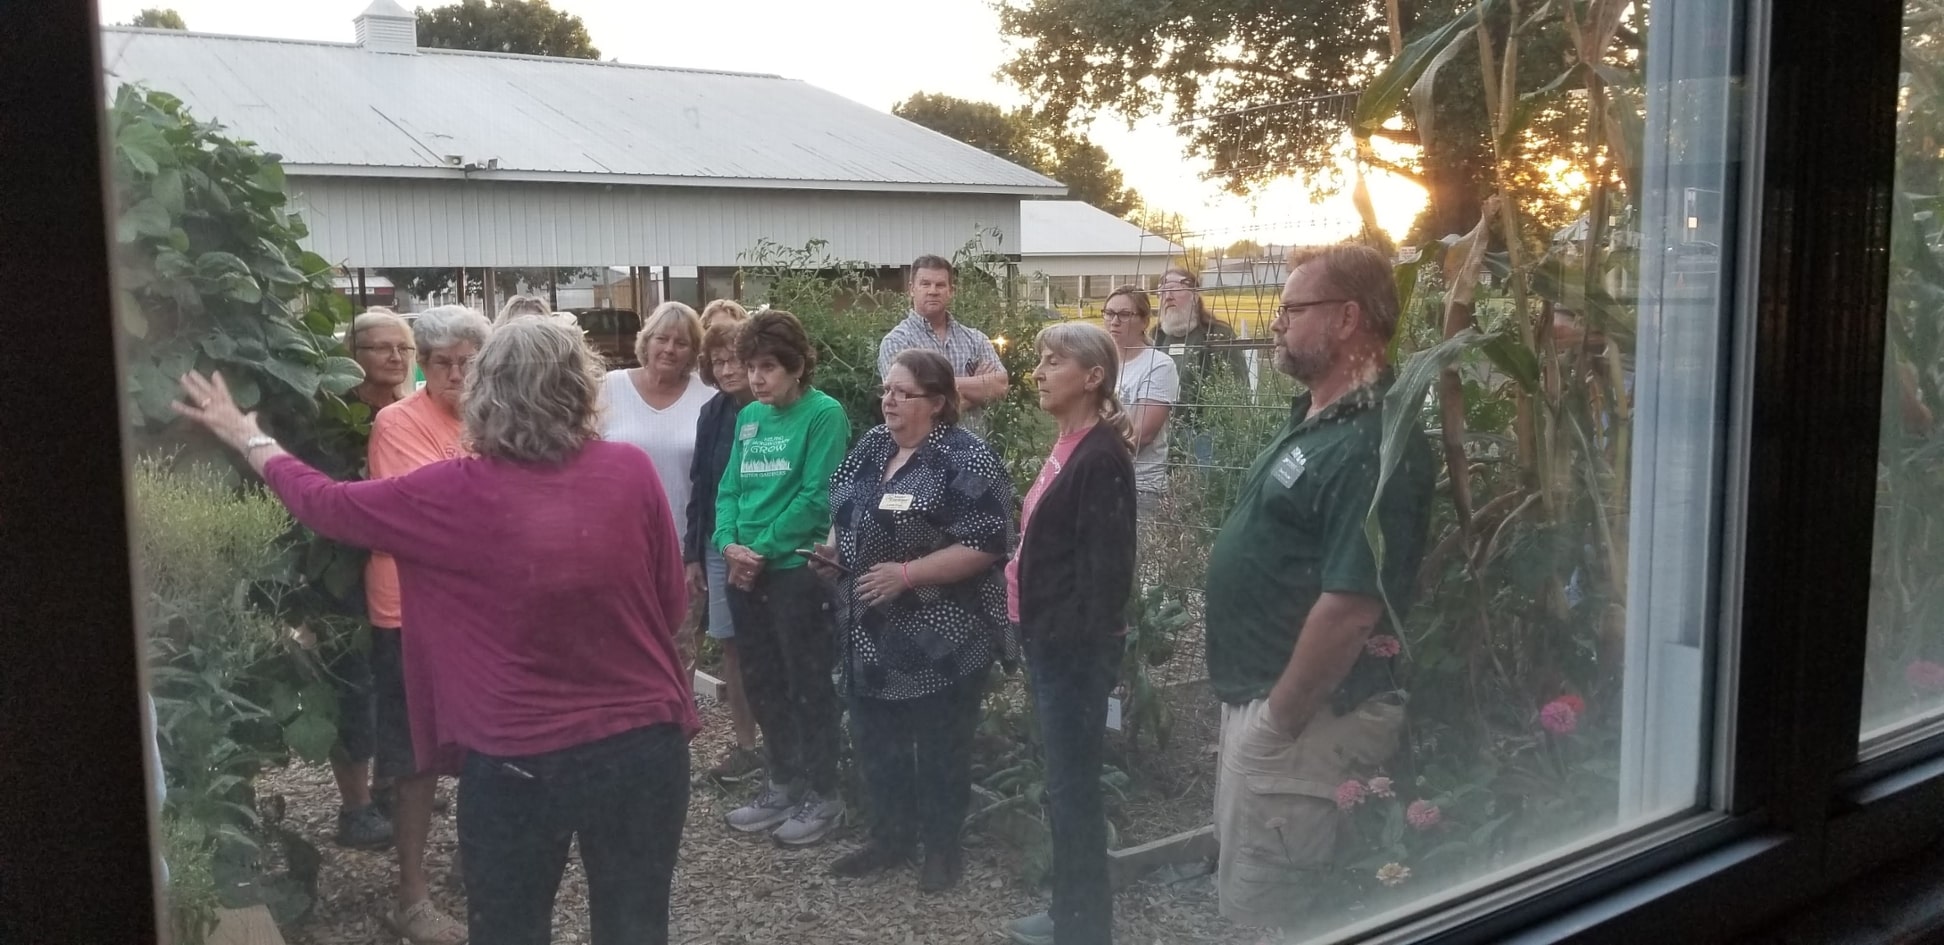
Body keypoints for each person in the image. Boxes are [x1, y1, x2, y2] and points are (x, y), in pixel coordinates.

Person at [173, 316, 698, 945]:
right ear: (581, 389)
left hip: (517, 764)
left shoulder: (449, 493)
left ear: (486, 393)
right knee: (636, 927)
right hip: (643, 750)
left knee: (509, 929)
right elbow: (670, 608)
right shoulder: (630, 471)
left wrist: (247, 434)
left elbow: (325, 503)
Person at [1202, 244, 1437, 934]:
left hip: (1305, 723)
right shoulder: (1320, 418)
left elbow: (1350, 606)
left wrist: (1278, 719)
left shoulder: (1376, 442)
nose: (1276, 323)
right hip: (1271, 713)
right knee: (1243, 893)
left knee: (1271, 918)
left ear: (1346, 319)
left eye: (1292, 308)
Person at [815, 349, 1016, 892]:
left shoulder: (965, 458)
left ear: (938, 403)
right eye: (886, 389)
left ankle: (942, 850)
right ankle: (890, 837)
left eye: (902, 393)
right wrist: (834, 549)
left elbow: (988, 542)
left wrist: (908, 574)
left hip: (942, 636)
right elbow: (846, 506)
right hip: (869, 631)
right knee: (878, 743)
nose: (889, 400)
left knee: (942, 748)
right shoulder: (873, 445)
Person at [349, 305, 493, 943]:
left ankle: (477, 861)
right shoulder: (397, 421)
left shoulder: (497, 419)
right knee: (415, 758)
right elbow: (426, 518)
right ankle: (411, 895)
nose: (457, 373)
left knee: (489, 743)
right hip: (409, 610)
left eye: (469, 361)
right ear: (424, 366)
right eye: (443, 362)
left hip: (484, 610)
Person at [1003, 323, 1137, 945]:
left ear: (1092, 377)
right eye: (1039, 360)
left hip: (1072, 653)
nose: (1038, 372)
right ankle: (1068, 913)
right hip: (1048, 642)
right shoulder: (1069, 445)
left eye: (1053, 362)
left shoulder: (1101, 457)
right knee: (1065, 786)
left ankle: (1085, 927)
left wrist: (1072, 651)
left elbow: (1105, 576)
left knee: (1074, 789)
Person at [714, 310, 852, 845]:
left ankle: (825, 792)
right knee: (764, 681)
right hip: (746, 569)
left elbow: (818, 496)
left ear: (796, 367)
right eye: (751, 367)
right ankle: (783, 780)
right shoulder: (749, 418)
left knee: (807, 683)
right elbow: (728, 489)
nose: (756, 378)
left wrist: (761, 550)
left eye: (768, 366)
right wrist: (728, 544)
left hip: (793, 570)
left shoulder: (824, 414)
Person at [316, 306, 419, 851]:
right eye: (380, 347)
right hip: (342, 575)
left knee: (398, 683)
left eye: (402, 347)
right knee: (354, 686)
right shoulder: (333, 423)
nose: (395, 356)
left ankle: (389, 786)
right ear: (351, 358)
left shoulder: (410, 416)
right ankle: (353, 806)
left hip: (400, 577)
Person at [601, 301, 716, 668]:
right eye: (661, 338)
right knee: (620, 646)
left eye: (681, 343)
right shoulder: (608, 388)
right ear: (645, 341)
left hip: (683, 549)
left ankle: (676, 723)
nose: (669, 349)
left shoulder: (709, 400)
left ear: (693, 352)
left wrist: (697, 551)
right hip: (615, 545)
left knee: (677, 650)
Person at [685, 321, 763, 780]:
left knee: (769, 645)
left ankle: (782, 744)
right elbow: (703, 484)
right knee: (731, 643)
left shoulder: (775, 410)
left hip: (771, 544)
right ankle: (745, 744)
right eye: (719, 361)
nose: (729, 368)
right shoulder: (713, 412)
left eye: (737, 358)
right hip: (720, 544)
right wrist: (694, 553)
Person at [877, 254, 1009, 434]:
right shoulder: (897, 342)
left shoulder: (975, 339)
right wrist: (977, 388)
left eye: (940, 285)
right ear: (912, 289)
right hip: (922, 453)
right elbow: (906, 409)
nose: (933, 291)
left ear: (951, 290)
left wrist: (932, 389)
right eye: (925, 284)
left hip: (972, 454)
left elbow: (1000, 386)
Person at [1101, 286, 1180, 516]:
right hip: (1097, 480)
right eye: (1109, 313)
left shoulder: (1158, 365)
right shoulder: (1100, 363)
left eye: (1124, 315)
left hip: (1139, 485)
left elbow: (1141, 434)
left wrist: (1090, 454)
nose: (1114, 321)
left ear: (1144, 321)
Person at [1153, 266, 1248, 410]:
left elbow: (1238, 388)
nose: (1168, 297)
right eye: (1162, 292)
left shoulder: (1217, 333)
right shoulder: (1157, 335)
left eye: (1176, 290)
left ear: (1195, 296)